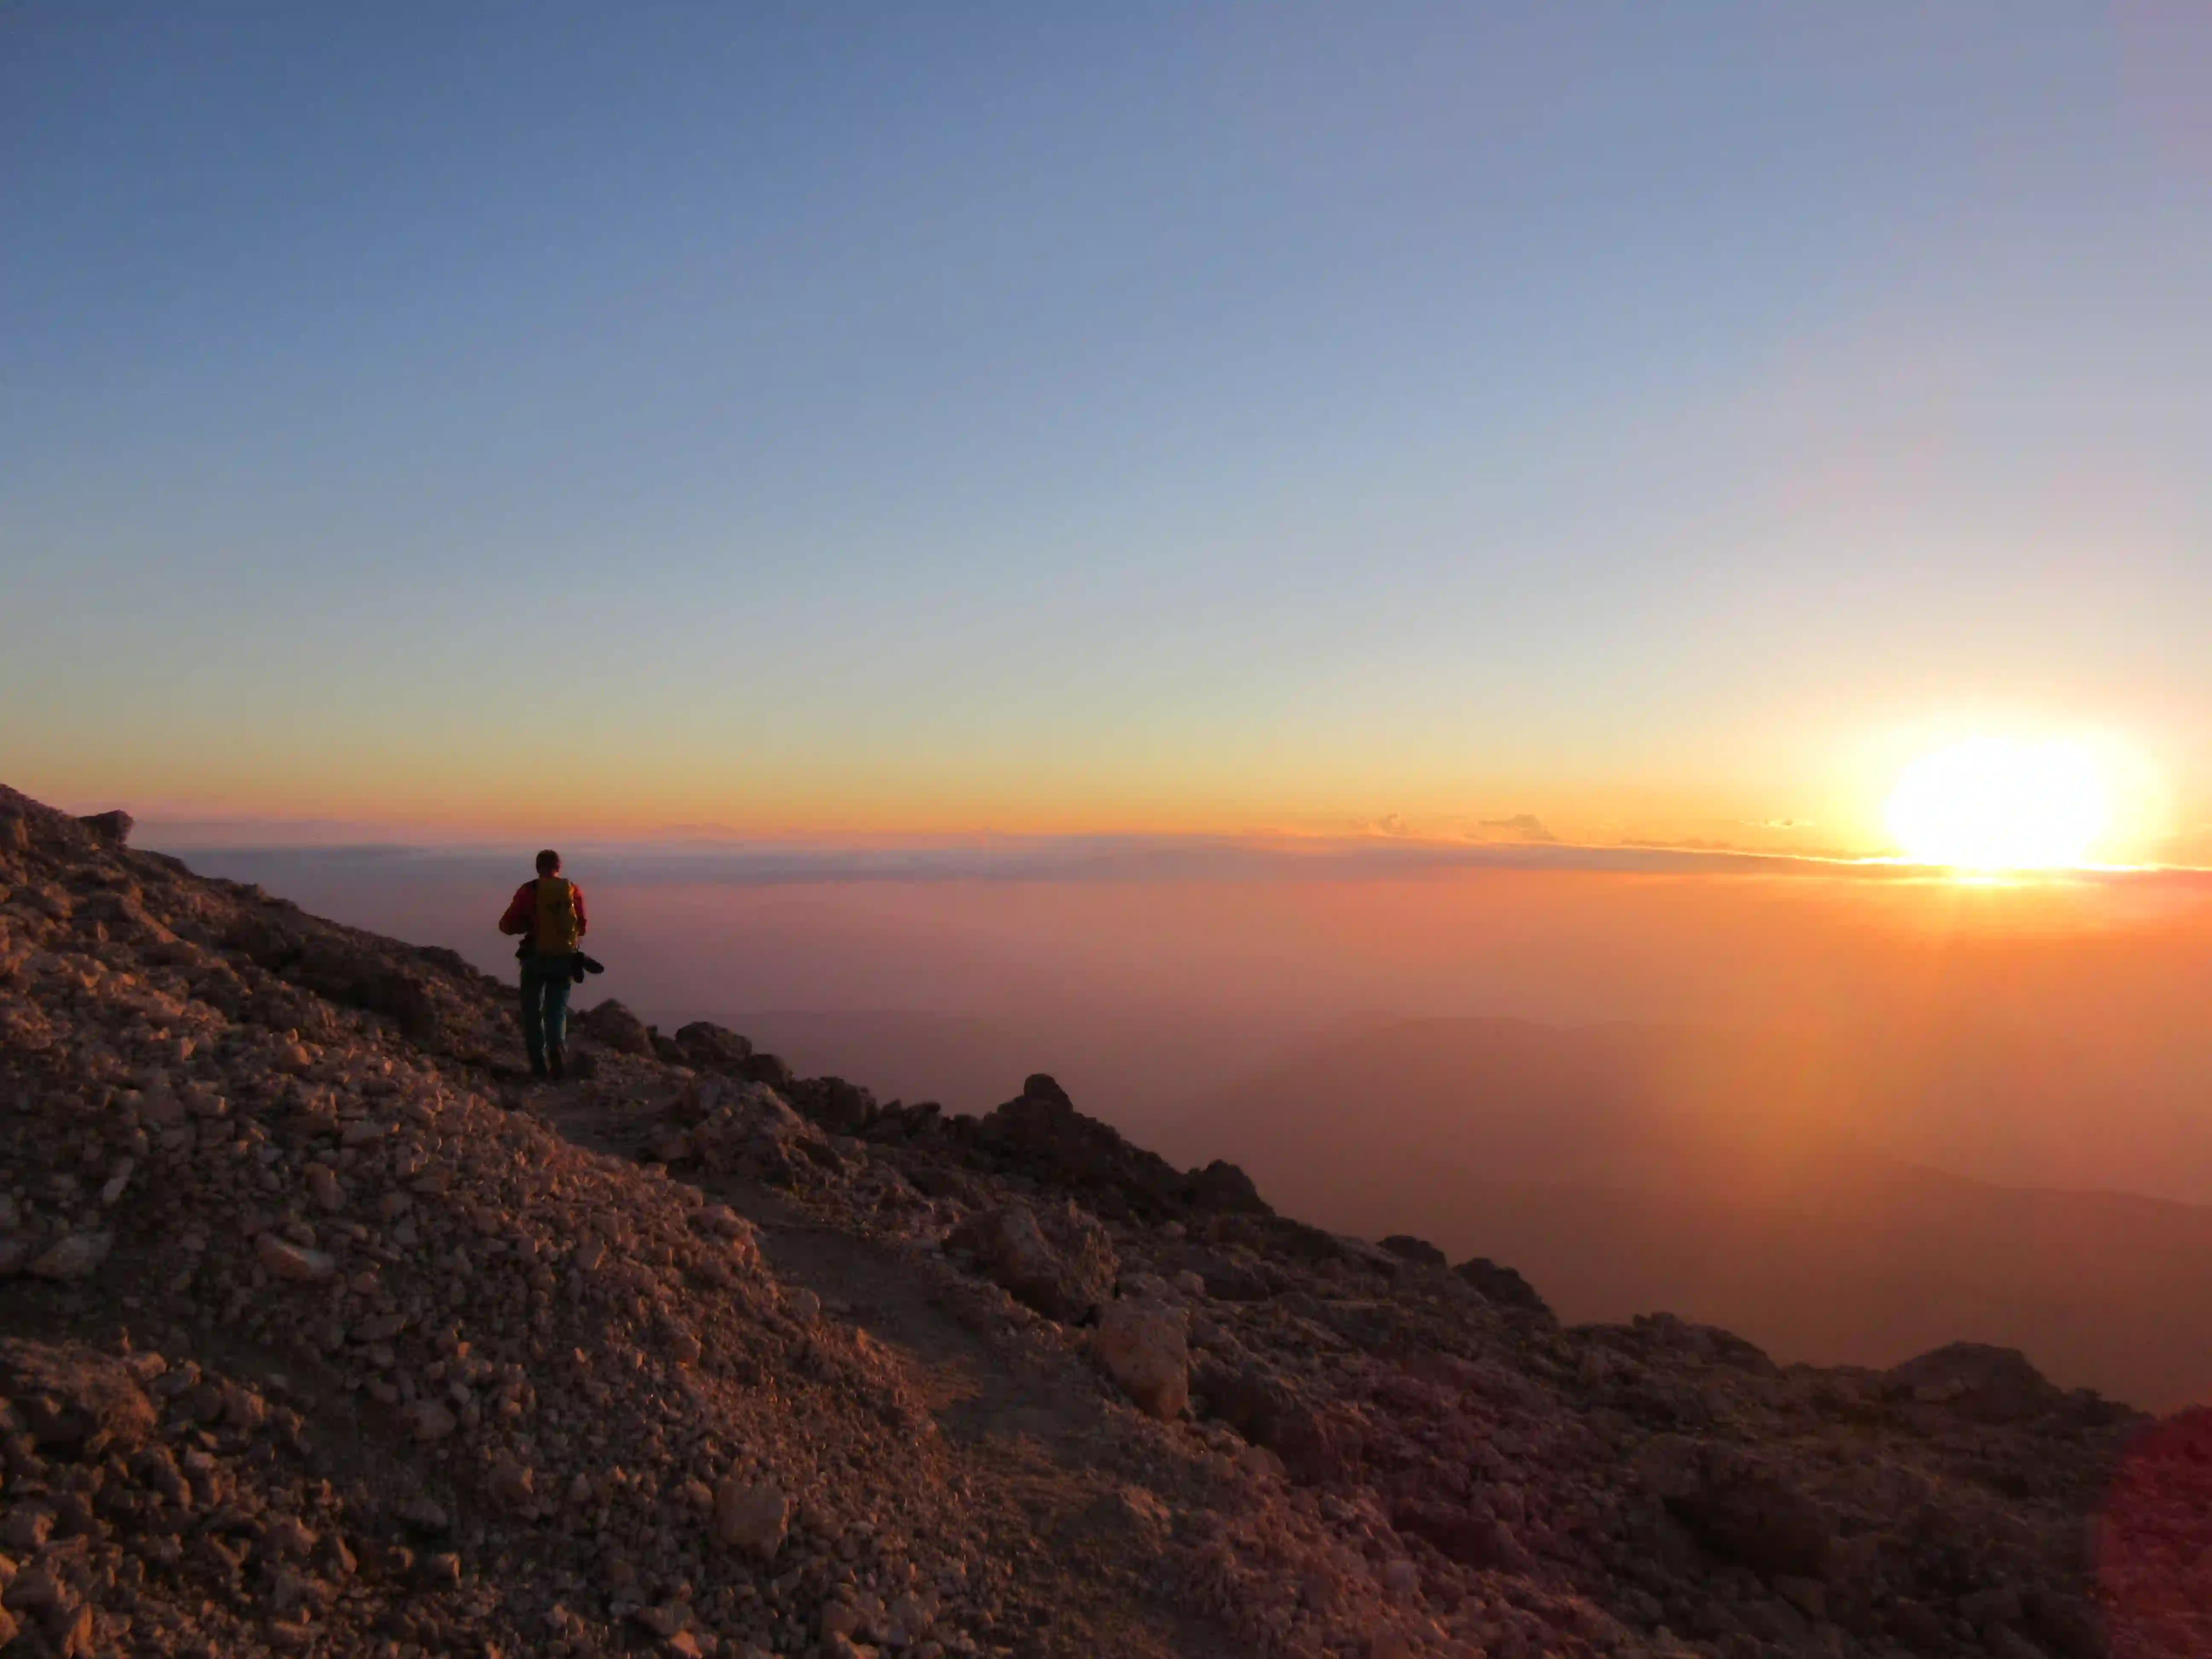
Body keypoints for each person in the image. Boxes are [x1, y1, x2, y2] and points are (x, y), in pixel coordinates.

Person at [498, 849, 589, 1079]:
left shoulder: (529, 891)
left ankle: (538, 1065)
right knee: (557, 1009)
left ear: (537, 867)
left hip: (535, 959)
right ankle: (557, 1049)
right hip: (564, 958)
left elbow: (506, 926)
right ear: (559, 867)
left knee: (532, 1011)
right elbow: (583, 927)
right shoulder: (573, 891)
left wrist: (528, 926)